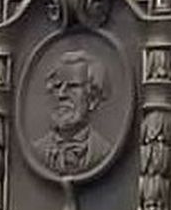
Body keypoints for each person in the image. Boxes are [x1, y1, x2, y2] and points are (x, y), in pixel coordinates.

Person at [30, 50, 114, 178]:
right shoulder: (36, 152)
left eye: (73, 86)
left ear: (93, 99)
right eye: (57, 86)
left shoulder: (105, 152)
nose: (61, 94)